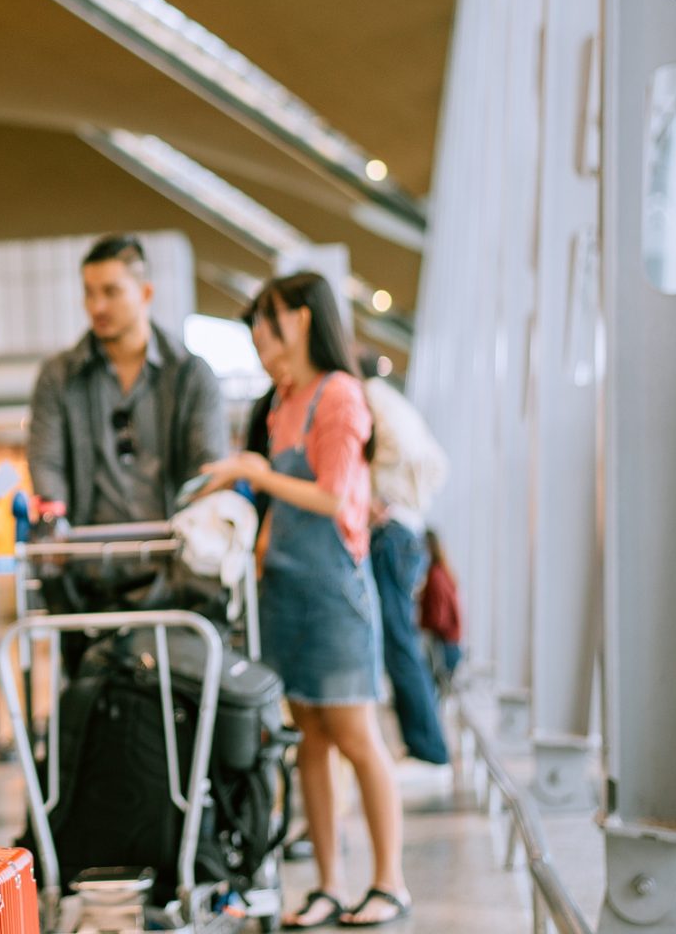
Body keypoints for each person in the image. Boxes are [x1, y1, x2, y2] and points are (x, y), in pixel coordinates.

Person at [197, 273, 408, 929]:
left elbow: (335, 496)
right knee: (308, 741)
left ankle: (389, 881)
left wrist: (255, 473)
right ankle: (328, 883)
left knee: (355, 737)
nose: (263, 334)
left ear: (305, 320)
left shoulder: (339, 395)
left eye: (273, 319)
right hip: (284, 591)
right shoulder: (281, 401)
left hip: (334, 594)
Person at [26, 235, 227, 624]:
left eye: (111, 292)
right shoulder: (59, 376)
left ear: (146, 292)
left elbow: (208, 465)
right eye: (89, 293)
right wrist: (56, 523)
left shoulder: (190, 375)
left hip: (177, 570)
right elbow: (46, 461)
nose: (97, 306)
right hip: (88, 574)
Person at [357, 359, 452, 765]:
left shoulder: (374, 399)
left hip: (392, 533)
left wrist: (378, 491)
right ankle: (426, 746)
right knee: (400, 643)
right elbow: (436, 465)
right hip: (406, 528)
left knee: (398, 643)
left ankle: (429, 750)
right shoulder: (395, 402)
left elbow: (398, 448)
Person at [418, 528, 463, 694]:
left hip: (443, 647)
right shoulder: (444, 572)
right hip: (451, 644)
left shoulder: (435, 576)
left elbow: (439, 618)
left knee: (435, 695)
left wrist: (419, 622)